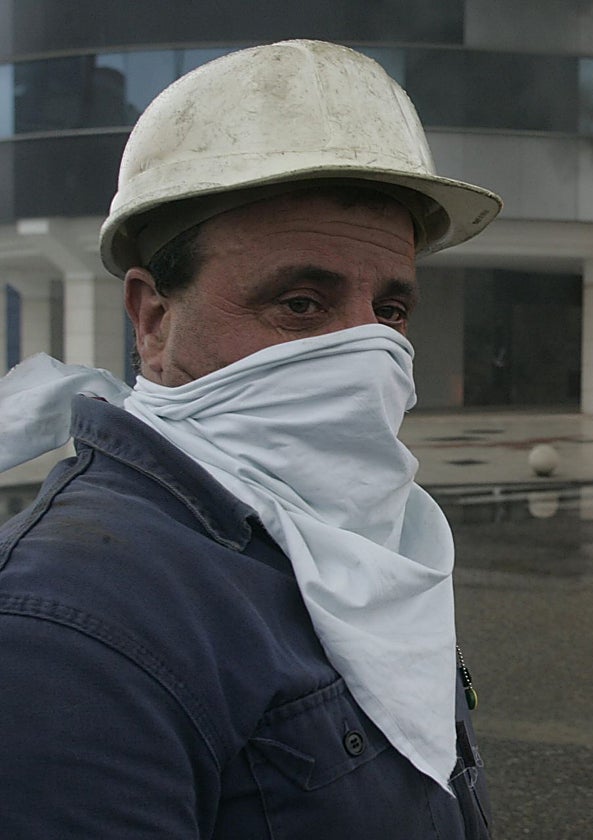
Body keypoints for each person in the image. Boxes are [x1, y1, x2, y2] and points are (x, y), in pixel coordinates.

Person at [0, 40, 501, 838]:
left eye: (392, 312)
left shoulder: (366, 540)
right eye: (302, 304)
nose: (366, 352)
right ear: (153, 321)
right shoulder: (63, 625)